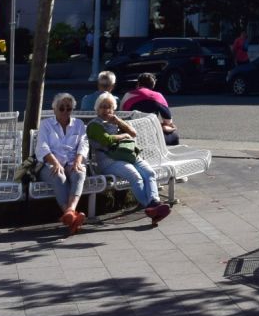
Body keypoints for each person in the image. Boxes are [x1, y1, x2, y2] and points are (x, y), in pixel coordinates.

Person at [86, 92, 171, 223]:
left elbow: (133, 133)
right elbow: (106, 140)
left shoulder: (116, 122)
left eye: (109, 107)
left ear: (113, 109)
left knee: (149, 173)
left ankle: (154, 203)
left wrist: (119, 121)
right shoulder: (94, 125)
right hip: (107, 160)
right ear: (97, 108)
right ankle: (152, 208)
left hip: (127, 155)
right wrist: (123, 136)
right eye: (102, 107)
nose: (106, 110)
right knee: (135, 176)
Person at [34, 92, 89, 233]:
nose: (65, 111)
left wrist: (78, 160)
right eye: (62, 108)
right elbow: (42, 147)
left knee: (79, 173)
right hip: (49, 164)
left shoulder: (79, 124)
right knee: (59, 176)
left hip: (71, 162)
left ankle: (70, 211)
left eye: (68, 108)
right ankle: (71, 215)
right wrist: (55, 163)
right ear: (54, 109)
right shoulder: (46, 124)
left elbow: (83, 144)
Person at [121, 70, 180, 145]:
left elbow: (122, 115)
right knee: (174, 136)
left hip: (132, 135)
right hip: (152, 135)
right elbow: (168, 121)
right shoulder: (158, 96)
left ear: (138, 84)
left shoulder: (127, 95)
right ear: (153, 84)